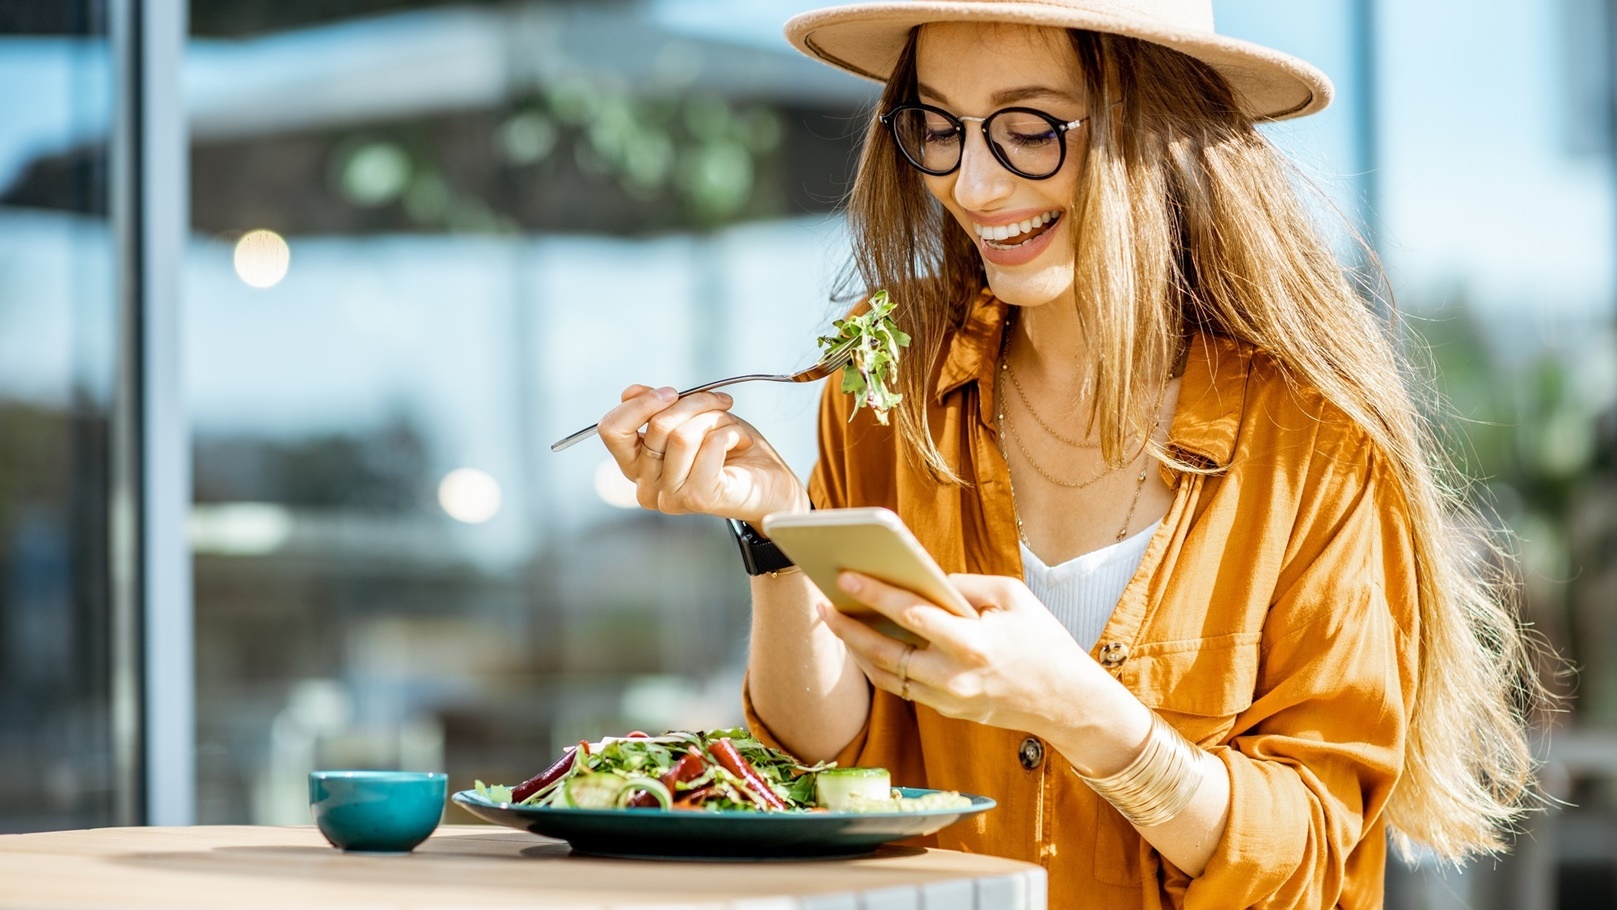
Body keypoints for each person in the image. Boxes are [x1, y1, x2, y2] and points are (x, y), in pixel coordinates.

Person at [594, 0, 1542, 906]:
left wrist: (1079, 711)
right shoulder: (884, 386)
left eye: (1028, 129)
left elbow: (1304, 857)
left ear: (1154, 129)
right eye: (938, 127)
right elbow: (827, 767)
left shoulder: (1313, 442)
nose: (969, 185)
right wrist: (775, 530)